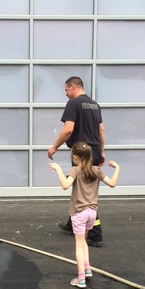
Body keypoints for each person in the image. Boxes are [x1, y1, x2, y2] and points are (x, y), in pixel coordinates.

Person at [49, 141, 120, 289]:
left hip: (79, 213)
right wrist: (118, 168)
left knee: (79, 245)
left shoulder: (75, 170)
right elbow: (112, 183)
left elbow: (65, 185)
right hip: (92, 213)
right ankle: (87, 269)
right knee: (84, 242)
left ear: (75, 156)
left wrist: (58, 169)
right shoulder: (97, 170)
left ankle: (80, 278)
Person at [48, 76, 106, 247]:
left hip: (81, 154)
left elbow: (68, 129)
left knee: (84, 192)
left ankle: (95, 234)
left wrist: (54, 147)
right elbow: (101, 130)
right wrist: (101, 152)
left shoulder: (73, 104)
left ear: (73, 87)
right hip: (93, 152)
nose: (66, 94)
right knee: (84, 189)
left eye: (66, 90)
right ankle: (72, 224)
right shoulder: (94, 104)